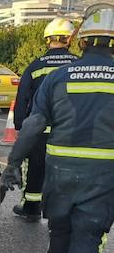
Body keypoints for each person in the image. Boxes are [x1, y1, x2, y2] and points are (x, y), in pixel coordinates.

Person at [2, 4, 114, 253]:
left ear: (82, 41)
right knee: (88, 234)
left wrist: (13, 163)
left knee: (61, 226)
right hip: (103, 173)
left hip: (60, 168)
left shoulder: (58, 77)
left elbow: (34, 125)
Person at [11, 17, 78, 221]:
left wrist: (20, 127)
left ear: (47, 39)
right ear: (69, 39)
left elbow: (23, 98)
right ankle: (62, 212)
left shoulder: (36, 66)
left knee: (35, 168)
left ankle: (31, 208)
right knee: (66, 171)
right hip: (70, 130)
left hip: (39, 130)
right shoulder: (79, 65)